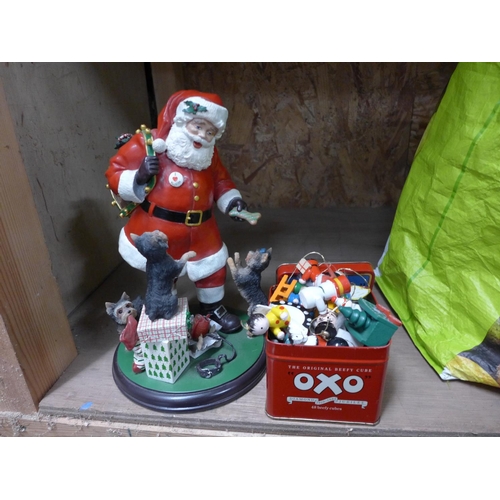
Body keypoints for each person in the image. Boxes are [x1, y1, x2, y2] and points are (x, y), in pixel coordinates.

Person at [106, 90, 249, 333]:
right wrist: (139, 175)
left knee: (212, 270)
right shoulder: (147, 143)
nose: (202, 136)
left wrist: (232, 201)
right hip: (159, 230)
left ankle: (212, 309)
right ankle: (166, 312)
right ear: (182, 120)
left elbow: (221, 181)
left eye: (210, 132)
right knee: (163, 274)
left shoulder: (209, 154)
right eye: (198, 126)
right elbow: (115, 172)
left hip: (203, 231)